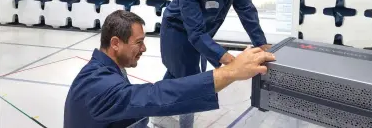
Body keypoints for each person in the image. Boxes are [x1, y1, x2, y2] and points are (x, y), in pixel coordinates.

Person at [63, 10, 275, 128]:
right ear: (116, 43)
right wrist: (229, 72)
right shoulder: (98, 86)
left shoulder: (105, 68)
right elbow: (156, 96)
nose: (144, 48)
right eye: (138, 42)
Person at [160, 0, 271, 126]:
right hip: (178, 32)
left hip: (203, 32)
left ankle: (157, 111)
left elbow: (246, 9)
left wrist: (261, 43)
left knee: (175, 75)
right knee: (191, 83)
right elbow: (194, 32)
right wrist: (230, 61)